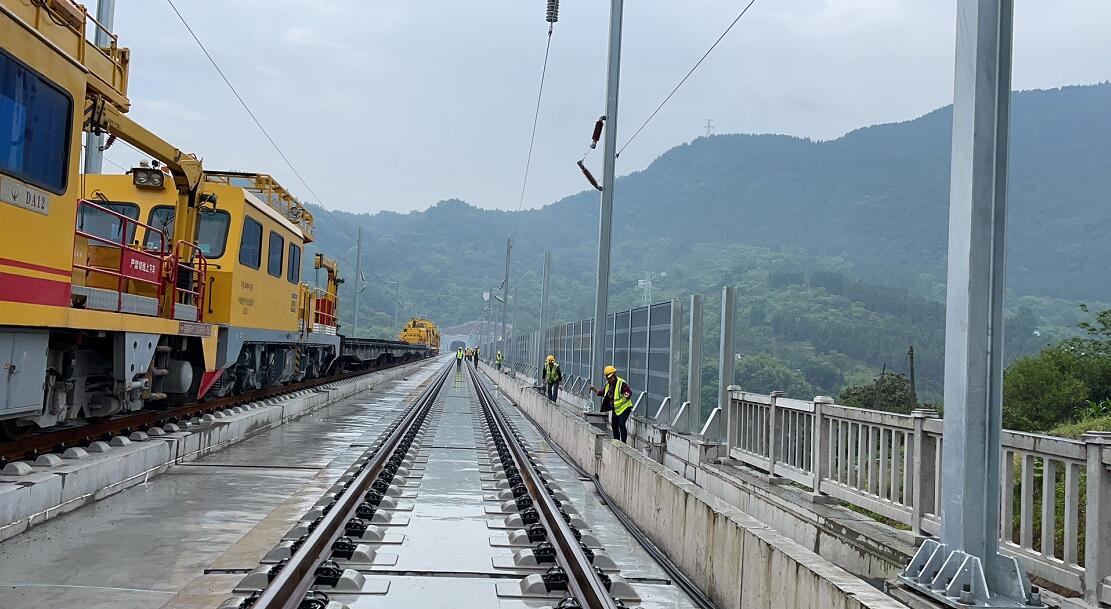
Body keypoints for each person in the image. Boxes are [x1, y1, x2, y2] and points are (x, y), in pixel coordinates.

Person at [589, 365, 633, 443]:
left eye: (610, 377)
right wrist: (594, 389)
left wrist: (627, 394)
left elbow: (628, 391)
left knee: (621, 424)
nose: (609, 379)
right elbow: (603, 393)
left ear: (614, 374)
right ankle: (617, 442)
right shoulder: (608, 385)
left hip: (625, 407)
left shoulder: (621, 383)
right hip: (616, 409)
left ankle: (623, 444)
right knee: (614, 426)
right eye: (608, 378)